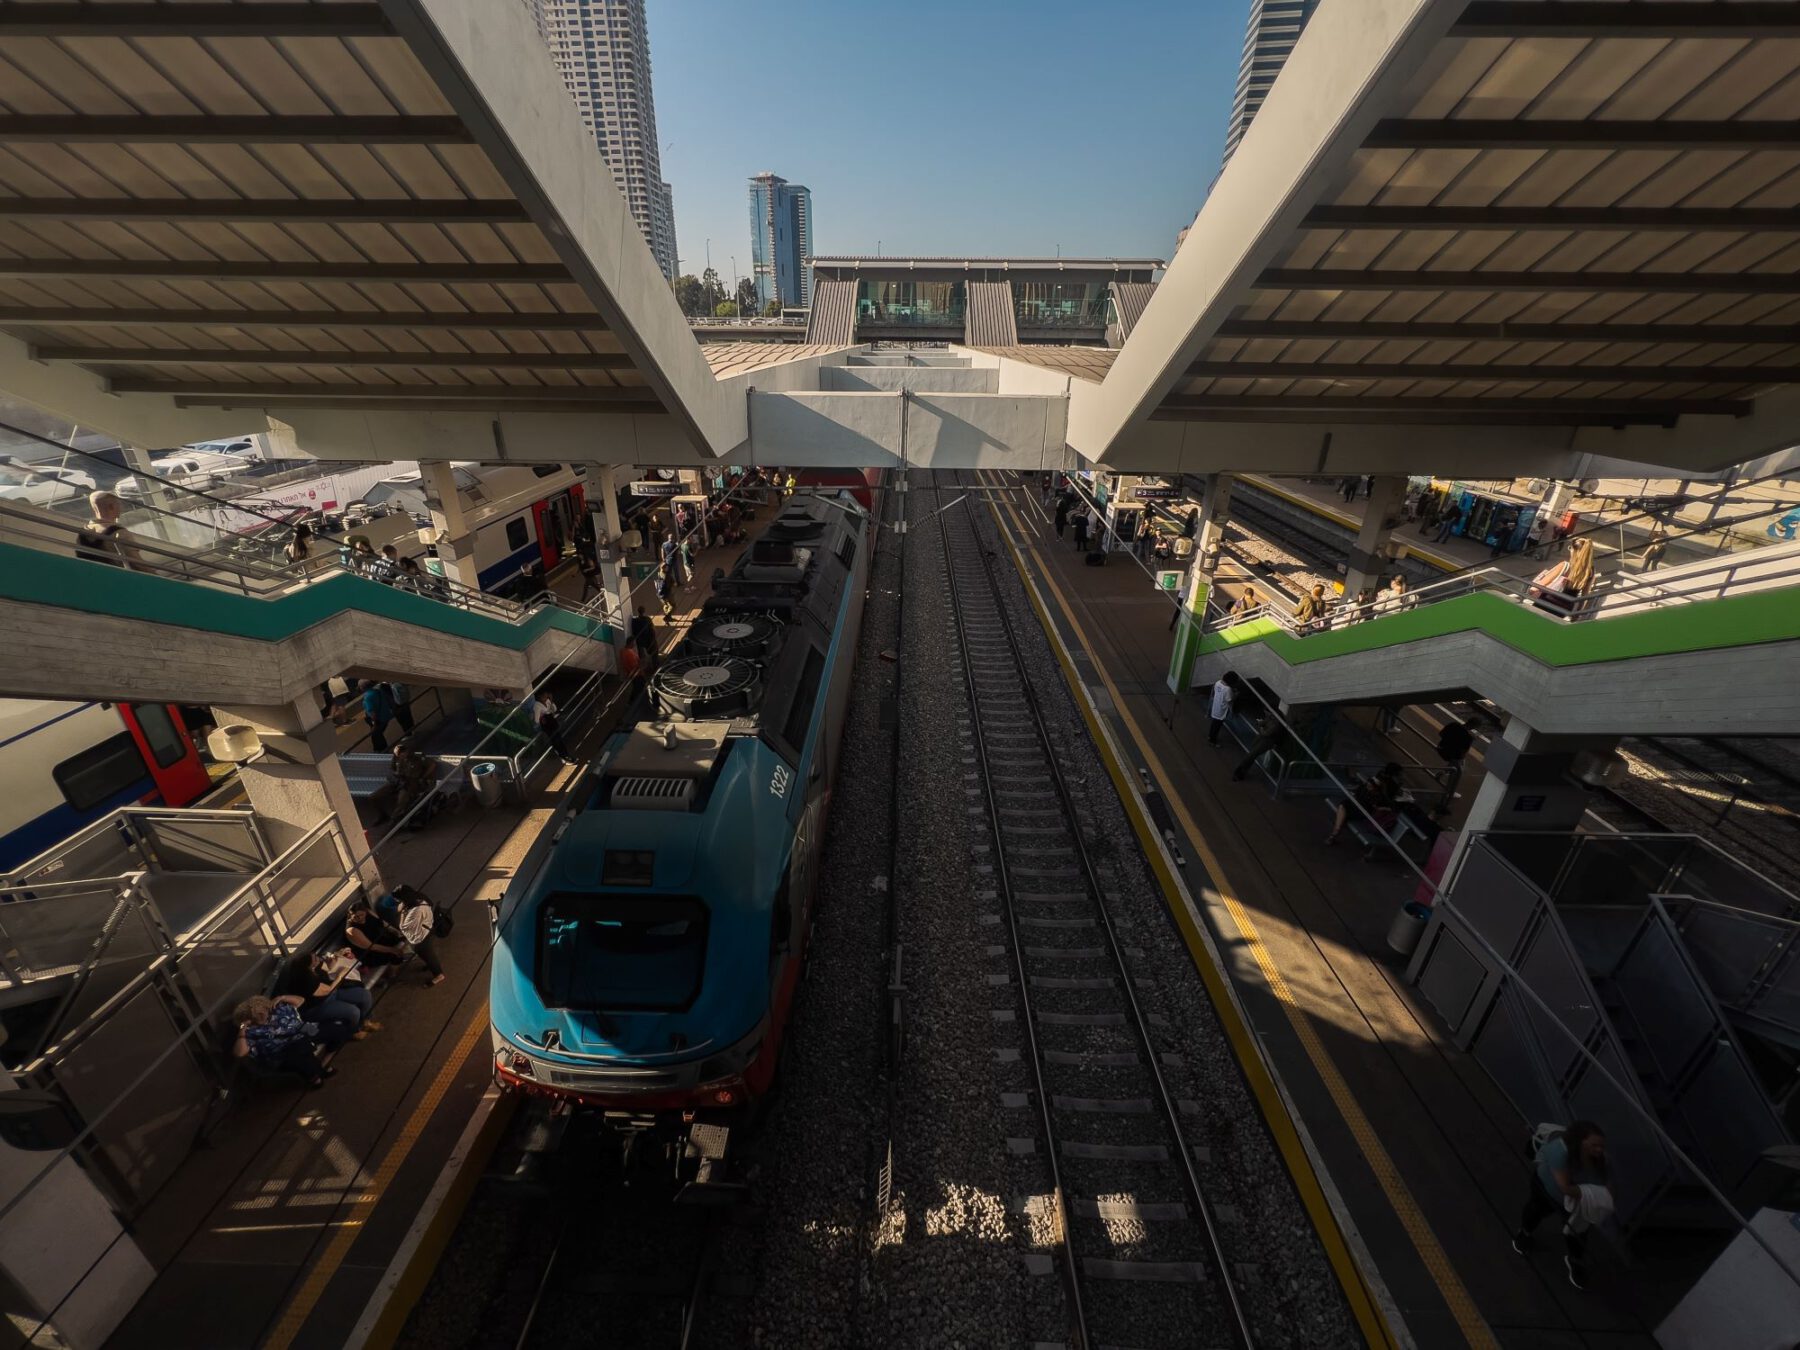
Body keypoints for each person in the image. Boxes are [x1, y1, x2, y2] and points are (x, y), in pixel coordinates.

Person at [1513, 1120, 1609, 1290]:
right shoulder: (1559, 1151)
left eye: (1601, 1146)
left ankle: (1575, 1261)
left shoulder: (1598, 1159)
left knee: (1578, 1232)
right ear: (1581, 1141)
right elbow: (1565, 1187)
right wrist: (1594, 1195)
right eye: (1595, 1145)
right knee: (1536, 1210)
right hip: (1546, 1188)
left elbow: (1606, 1181)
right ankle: (1524, 1233)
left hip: (1576, 1202)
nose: (1599, 1150)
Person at [231, 995, 336, 1087]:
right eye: (256, 1015)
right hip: (282, 1052)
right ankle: (317, 1074)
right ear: (249, 1019)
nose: (262, 1016)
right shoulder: (250, 1032)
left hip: (303, 1031)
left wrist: (282, 997)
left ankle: (318, 1070)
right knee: (299, 1050)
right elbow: (239, 1053)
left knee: (337, 1028)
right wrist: (242, 1028)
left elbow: (301, 1001)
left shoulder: (278, 1009)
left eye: (262, 1011)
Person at [281, 949, 379, 1042]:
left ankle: (366, 1021)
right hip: (318, 1006)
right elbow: (327, 990)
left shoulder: (315, 967)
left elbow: (328, 968)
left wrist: (333, 959)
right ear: (308, 965)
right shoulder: (305, 979)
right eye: (315, 959)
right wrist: (340, 976)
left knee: (364, 995)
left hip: (332, 994)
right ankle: (354, 1031)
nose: (318, 959)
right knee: (353, 1012)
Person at [1325, 762, 1404, 846]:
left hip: (1363, 806)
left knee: (1344, 806)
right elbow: (1390, 799)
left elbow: (1365, 792)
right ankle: (1335, 832)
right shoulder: (1391, 785)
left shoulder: (1380, 776)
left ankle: (1335, 832)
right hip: (1367, 808)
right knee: (1345, 806)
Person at [394, 885, 446, 987]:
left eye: (398, 899)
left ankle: (439, 975)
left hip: (421, 937)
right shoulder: (419, 898)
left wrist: (402, 912)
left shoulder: (416, 910)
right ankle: (430, 966)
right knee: (427, 955)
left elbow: (404, 927)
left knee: (428, 955)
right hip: (427, 929)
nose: (397, 901)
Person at [76, 490, 141, 570]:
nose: (121, 507)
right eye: (118, 504)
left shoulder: (83, 533)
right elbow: (138, 564)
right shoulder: (120, 533)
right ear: (112, 507)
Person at [344, 898, 408, 969]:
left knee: (404, 937)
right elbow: (371, 947)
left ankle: (399, 961)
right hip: (369, 953)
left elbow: (382, 922)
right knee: (394, 954)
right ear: (350, 916)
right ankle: (392, 974)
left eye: (361, 914)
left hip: (379, 939)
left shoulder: (368, 912)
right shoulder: (352, 930)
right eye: (355, 917)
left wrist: (395, 931)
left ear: (365, 912)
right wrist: (393, 950)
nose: (360, 918)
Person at [1435, 718, 1475, 801]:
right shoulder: (1468, 737)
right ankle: (1449, 792)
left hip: (1441, 748)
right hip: (1452, 755)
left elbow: (1441, 734)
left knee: (1457, 762)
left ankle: (1443, 773)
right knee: (1458, 770)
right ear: (1474, 726)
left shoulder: (1454, 724)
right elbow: (1463, 753)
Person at [534, 689, 573, 762]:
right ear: (539, 697)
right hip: (547, 725)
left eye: (546, 696)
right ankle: (563, 757)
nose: (546, 698)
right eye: (544, 697)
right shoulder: (537, 705)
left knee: (559, 739)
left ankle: (566, 755)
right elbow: (536, 720)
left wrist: (551, 701)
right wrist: (542, 716)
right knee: (555, 741)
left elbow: (554, 709)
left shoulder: (548, 701)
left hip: (552, 722)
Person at [1207, 673, 1236, 747]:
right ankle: (1212, 741)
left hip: (1216, 706)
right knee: (1217, 726)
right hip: (1221, 710)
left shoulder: (1218, 682)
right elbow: (1229, 701)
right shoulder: (1228, 689)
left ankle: (1210, 736)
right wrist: (1232, 711)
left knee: (1214, 723)